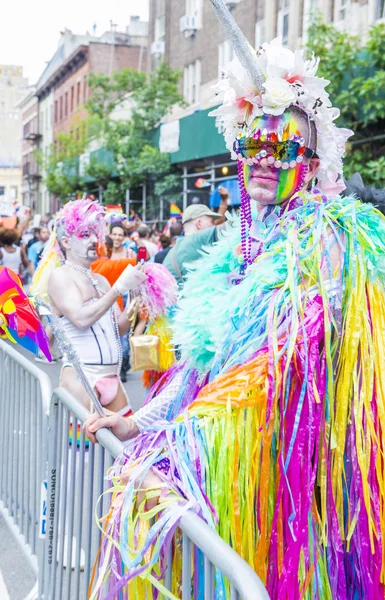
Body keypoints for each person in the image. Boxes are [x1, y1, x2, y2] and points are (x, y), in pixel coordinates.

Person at [83, 27, 385, 600]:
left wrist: (182, 444)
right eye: (253, 147)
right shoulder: (235, 250)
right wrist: (140, 423)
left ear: (314, 159)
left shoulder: (327, 241)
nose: (266, 161)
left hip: (296, 486)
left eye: (286, 148)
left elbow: (273, 367)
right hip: (235, 473)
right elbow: (201, 367)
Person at [33, 199, 146, 415]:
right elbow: (81, 319)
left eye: (95, 233)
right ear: (66, 241)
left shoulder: (100, 280)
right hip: (82, 378)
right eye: (85, 235)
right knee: (82, 448)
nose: (95, 240)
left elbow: (118, 329)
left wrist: (134, 299)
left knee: (123, 445)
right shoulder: (60, 276)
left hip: (112, 377)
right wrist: (118, 288)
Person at [163, 191, 228, 283]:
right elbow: (233, 224)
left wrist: (224, 201)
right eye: (212, 222)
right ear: (199, 224)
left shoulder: (174, 251)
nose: (214, 225)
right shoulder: (198, 240)